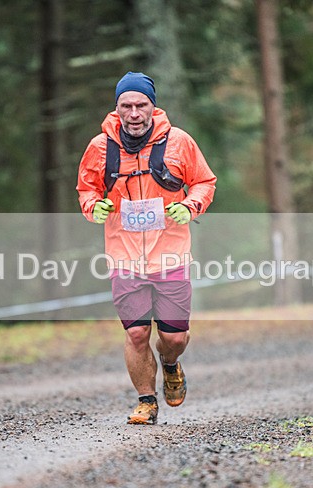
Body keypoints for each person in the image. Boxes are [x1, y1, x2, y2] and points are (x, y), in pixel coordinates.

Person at [77, 72, 217, 424]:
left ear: (153, 107)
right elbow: (86, 190)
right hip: (124, 255)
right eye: (127, 105)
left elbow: (203, 182)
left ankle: (170, 364)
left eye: (141, 104)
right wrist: (94, 207)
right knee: (136, 332)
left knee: (175, 336)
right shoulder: (99, 148)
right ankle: (145, 401)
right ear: (117, 108)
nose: (134, 112)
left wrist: (190, 206)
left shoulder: (179, 142)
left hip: (170, 253)